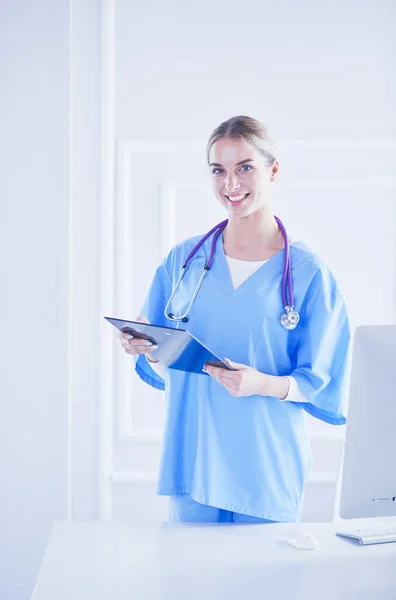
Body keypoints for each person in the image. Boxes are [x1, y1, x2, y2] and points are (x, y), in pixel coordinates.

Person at [118, 115, 351, 524]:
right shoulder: (184, 261)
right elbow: (159, 355)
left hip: (264, 461)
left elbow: (323, 379)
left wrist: (259, 383)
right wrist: (145, 346)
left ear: (273, 169)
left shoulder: (309, 273)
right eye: (218, 170)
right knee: (192, 583)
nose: (231, 184)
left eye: (245, 167)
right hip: (194, 456)